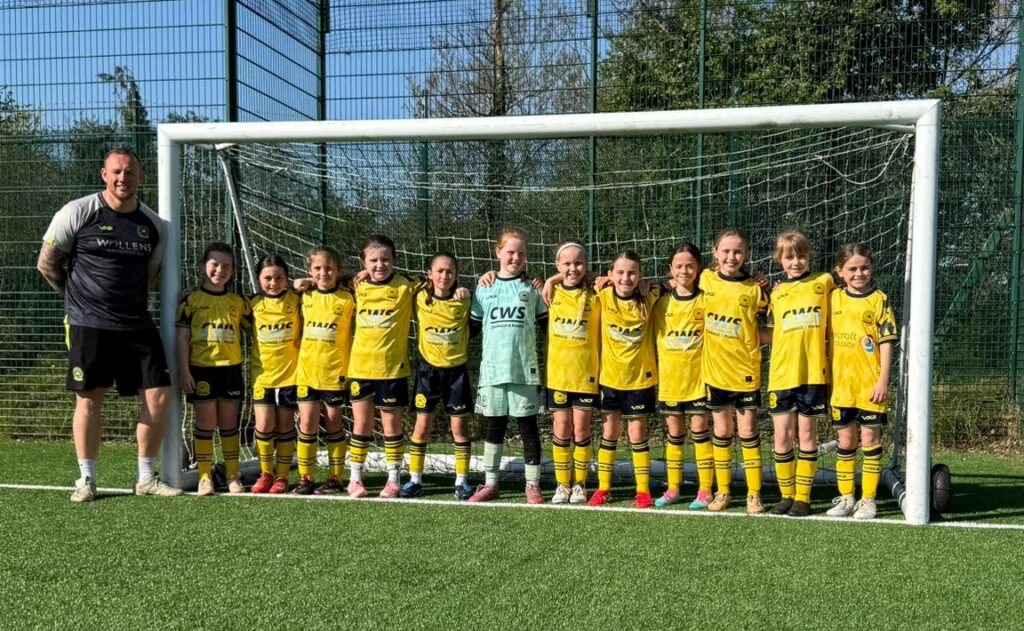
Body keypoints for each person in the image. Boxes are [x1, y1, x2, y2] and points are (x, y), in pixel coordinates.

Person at [37, 147, 182, 502]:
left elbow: (150, 276)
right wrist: (76, 299)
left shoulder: (154, 225)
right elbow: (47, 263)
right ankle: (86, 479)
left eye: (130, 172)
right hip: (89, 324)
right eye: (116, 171)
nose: (123, 178)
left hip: (136, 323)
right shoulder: (77, 212)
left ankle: (145, 477)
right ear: (104, 174)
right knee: (89, 400)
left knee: (159, 395)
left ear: (141, 177)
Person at [468, 228, 548, 504]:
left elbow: (548, 325)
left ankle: (532, 484)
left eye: (521, 253)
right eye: (510, 252)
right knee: (494, 427)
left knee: (528, 427)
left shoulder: (533, 288)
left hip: (524, 370)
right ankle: (491, 484)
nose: (516, 257)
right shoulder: (484, 287)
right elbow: (472, 327)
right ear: (498, 252)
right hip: (492, 371)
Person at [346, 235, 423, 499]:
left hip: (392, 370)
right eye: (373, 260)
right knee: (361, 424)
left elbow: (437, 278)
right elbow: (326, 280)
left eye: (385, 259)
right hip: (360, 368)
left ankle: (393, 479)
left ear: (394, 260)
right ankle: (355, 479)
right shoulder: (356, 287)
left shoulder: (406, 285)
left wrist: (458, 289)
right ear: (363, 263)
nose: (380, 265)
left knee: (391, 425)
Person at [700, 228, 770, 514]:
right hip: (715, 373)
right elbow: (673, 283)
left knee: (748, 432)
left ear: (746, 254)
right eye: (726, 251)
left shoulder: (756, 289)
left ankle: (754, 494)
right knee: (722, 432)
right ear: (715, 253)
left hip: (746, 372)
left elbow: (768, 327)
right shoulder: (704, 279)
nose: (732, 256)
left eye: (738, 251)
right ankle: (723, 491)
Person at [765, 231, 834, 517]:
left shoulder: (824, 282)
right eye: (789, 257)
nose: (796, 262)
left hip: (812, 374)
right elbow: (769, 333)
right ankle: (786, 496)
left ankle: (803, 499)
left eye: (801, 256)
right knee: (782, 435)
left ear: (809, 257)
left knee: (806, 434)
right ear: (779, 260)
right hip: (781, 374)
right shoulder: (776, 293)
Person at [826, 243, 896, 520]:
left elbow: (887, 342)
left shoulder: (879, 299)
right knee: (845, 442)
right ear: (840, 271)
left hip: (869, 385)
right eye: (852, 268)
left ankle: (868, 500)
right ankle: (846, 498)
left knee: (870, 440)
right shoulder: (832, 298)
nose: (859, 273)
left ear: (872, 269)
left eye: (864, 268)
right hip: (841, 386)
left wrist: (883, 380)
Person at [588, 250, 661, 508]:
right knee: (609, 433)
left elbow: (675, 282)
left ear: (640, 276)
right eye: (619, 272)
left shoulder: (650, 296)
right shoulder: (603, 293)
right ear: (610, 274)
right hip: (609, 379)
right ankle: (603, 488)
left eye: (632, 273)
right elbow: (577, 274)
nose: (625, 278)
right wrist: (552, 281)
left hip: (640, 380)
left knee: (637, 434)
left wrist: (651, 283)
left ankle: (643, 491)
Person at [177, 242, 251, 496]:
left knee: (229, 426)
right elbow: (182, 338)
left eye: (226, 266)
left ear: (234, 270)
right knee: (205, 425)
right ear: (203, 266)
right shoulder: (190, 300)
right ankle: (205, 477)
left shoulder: (238, 302)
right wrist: (184, 371)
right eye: (215, 264)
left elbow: (257, 325)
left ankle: (232, 475)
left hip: (231, 370)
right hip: (202, 370)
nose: (220, 270)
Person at [401, 252, 475, 500]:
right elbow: (395, 278)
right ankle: (415, 480)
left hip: (456, 372)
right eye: (440, 271)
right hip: (427, 371)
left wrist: (466, 292)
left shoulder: (465, 299)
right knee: (422, 425)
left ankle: (461, 481)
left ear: (456, 275)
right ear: (429, 274)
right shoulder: (419, 296)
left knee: (459, 427)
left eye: (450, 271)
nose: (445, 276)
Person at [652, 242, 712, 509]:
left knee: (700, 432)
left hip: (699, 381)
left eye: (690, 265)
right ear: (670, 269)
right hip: (671, 382)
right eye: (679, 266)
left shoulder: (706, 299)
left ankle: (705, 490)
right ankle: (673, 488)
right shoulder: (660, 302)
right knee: (674, 434)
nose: (684, 271)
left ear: (699, 268)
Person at [292, 245, 355, 495]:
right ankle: (305, 478)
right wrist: (300, 282)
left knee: (334, 424)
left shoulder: (348, 298)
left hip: (335, 373)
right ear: (309, 270)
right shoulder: (303, 296)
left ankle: (335, 478)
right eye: (317, 268)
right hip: (307, 372)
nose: (323, 273)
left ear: (338, 270)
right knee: (306, 424)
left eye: (329, 268)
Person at [542, 240, 600, 505]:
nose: (573, 268)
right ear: (557, 265)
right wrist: (551, 280)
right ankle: (562, 483)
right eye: (566, 263)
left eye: (579, 263)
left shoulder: (596, 293)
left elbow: (607, 280)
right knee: (561, 428)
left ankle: (580, 484)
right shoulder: (550, 293)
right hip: (558, 375)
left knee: (581, 429)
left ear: (586, 265)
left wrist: (554, 277)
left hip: (586, 375)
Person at [248, 254, 302, 495]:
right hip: (262, 377)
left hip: (290, 376)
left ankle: (282, 476)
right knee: (263, 425)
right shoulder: (251, 305)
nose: (273, 283)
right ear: (259, 279)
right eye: (268, 278)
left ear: (287, 278)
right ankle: (265, 473)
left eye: (279, 278)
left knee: (285, 426)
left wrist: (307, 281)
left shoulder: (297, 299)